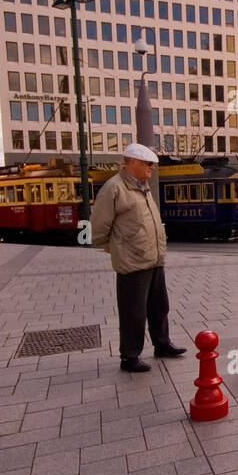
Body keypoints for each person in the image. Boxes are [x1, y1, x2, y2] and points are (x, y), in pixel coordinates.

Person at [90, 143, 187, 372]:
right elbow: (99, 225)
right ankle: (130, 356)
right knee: (133, 311)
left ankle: (162, 344)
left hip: (153, 258)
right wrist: (114, 247)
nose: (151, 169)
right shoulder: (114, 188)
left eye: (152, 165)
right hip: (132, 261)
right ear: (131, 162)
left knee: (159, 306)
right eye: (147, 164)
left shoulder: (143, 186)